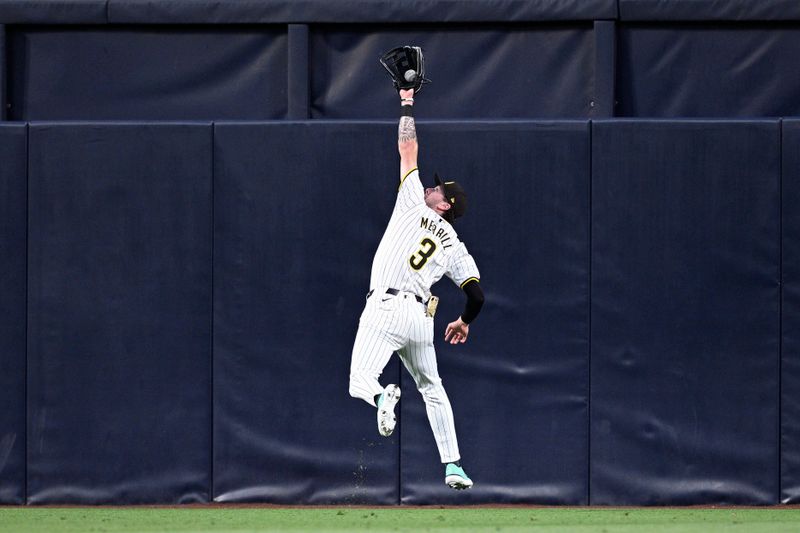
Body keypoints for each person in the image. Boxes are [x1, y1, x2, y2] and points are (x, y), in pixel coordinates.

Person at [348, 87, 485, 490]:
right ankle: (454, 467)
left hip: (386, 307)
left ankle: (381, 398)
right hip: (421, 318)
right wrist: (462, 321)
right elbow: (477, 295)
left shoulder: (412, 202)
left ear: (445, 206)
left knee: (360, 381)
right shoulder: (456, 247)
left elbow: (407, 145)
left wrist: (406, 100)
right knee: (433, 389)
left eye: (440, 190)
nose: (433, 188)